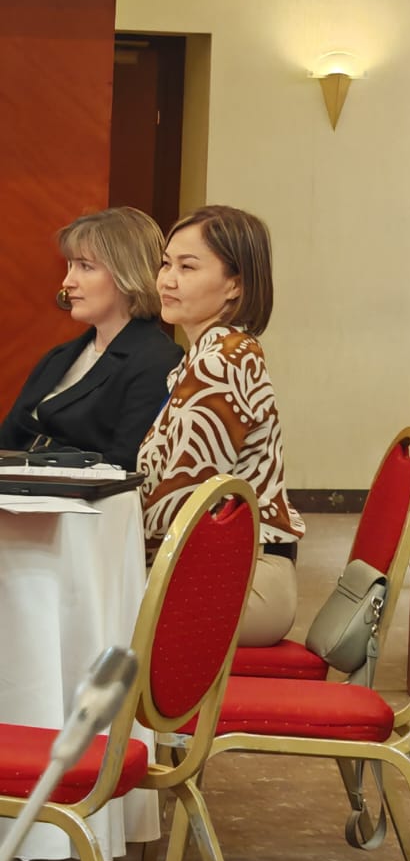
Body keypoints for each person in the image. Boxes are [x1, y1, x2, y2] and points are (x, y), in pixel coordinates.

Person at [138, 204, 304, 647]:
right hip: (217, 569)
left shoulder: (224, 361)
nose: (167, 280)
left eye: (187, 267)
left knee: (81, 604)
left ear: (235, 284)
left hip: (245, 581)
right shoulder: (204, 356)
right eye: (166, 264)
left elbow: (184, 496)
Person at [1, 206, 180, 469]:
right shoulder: (58, 357)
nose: (68, 281)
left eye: (85, 266)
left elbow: (126, 465)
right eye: (70, 265)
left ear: (128, 274)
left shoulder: (158, 361)